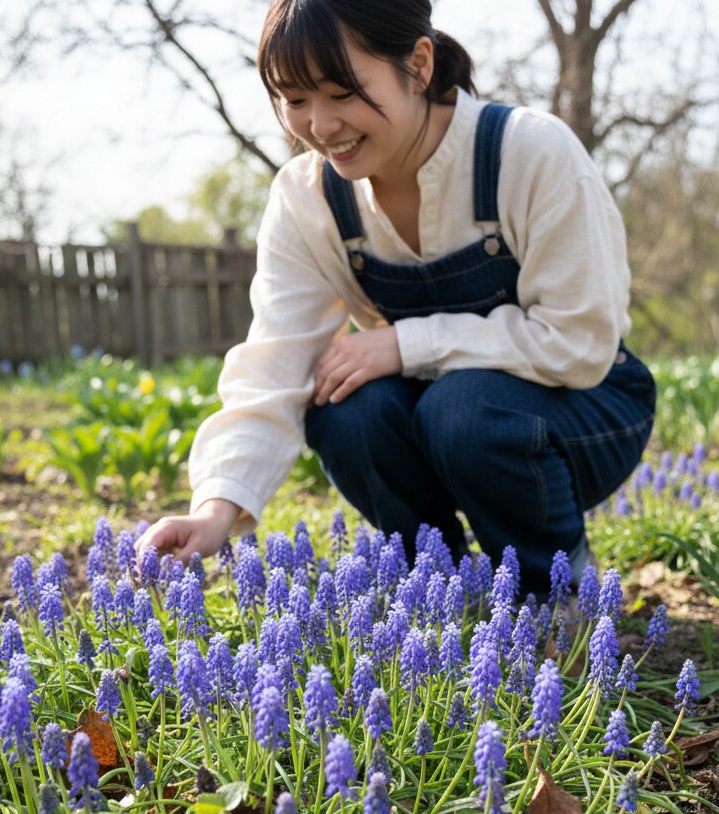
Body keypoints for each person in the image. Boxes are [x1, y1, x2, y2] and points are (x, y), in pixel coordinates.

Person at [136, 0, 656, 599]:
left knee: (462, 411)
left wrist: (409, 343)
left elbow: (579, 341)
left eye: (341, 92)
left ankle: (554, 595)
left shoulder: (529, 152)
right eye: (295, 99)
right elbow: (276, 362)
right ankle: (440, 593)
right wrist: (215, 508)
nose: (320, 125)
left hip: (583, 407)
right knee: (345, 408)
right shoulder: (307, 200)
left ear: (418, 64)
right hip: (448, 419)